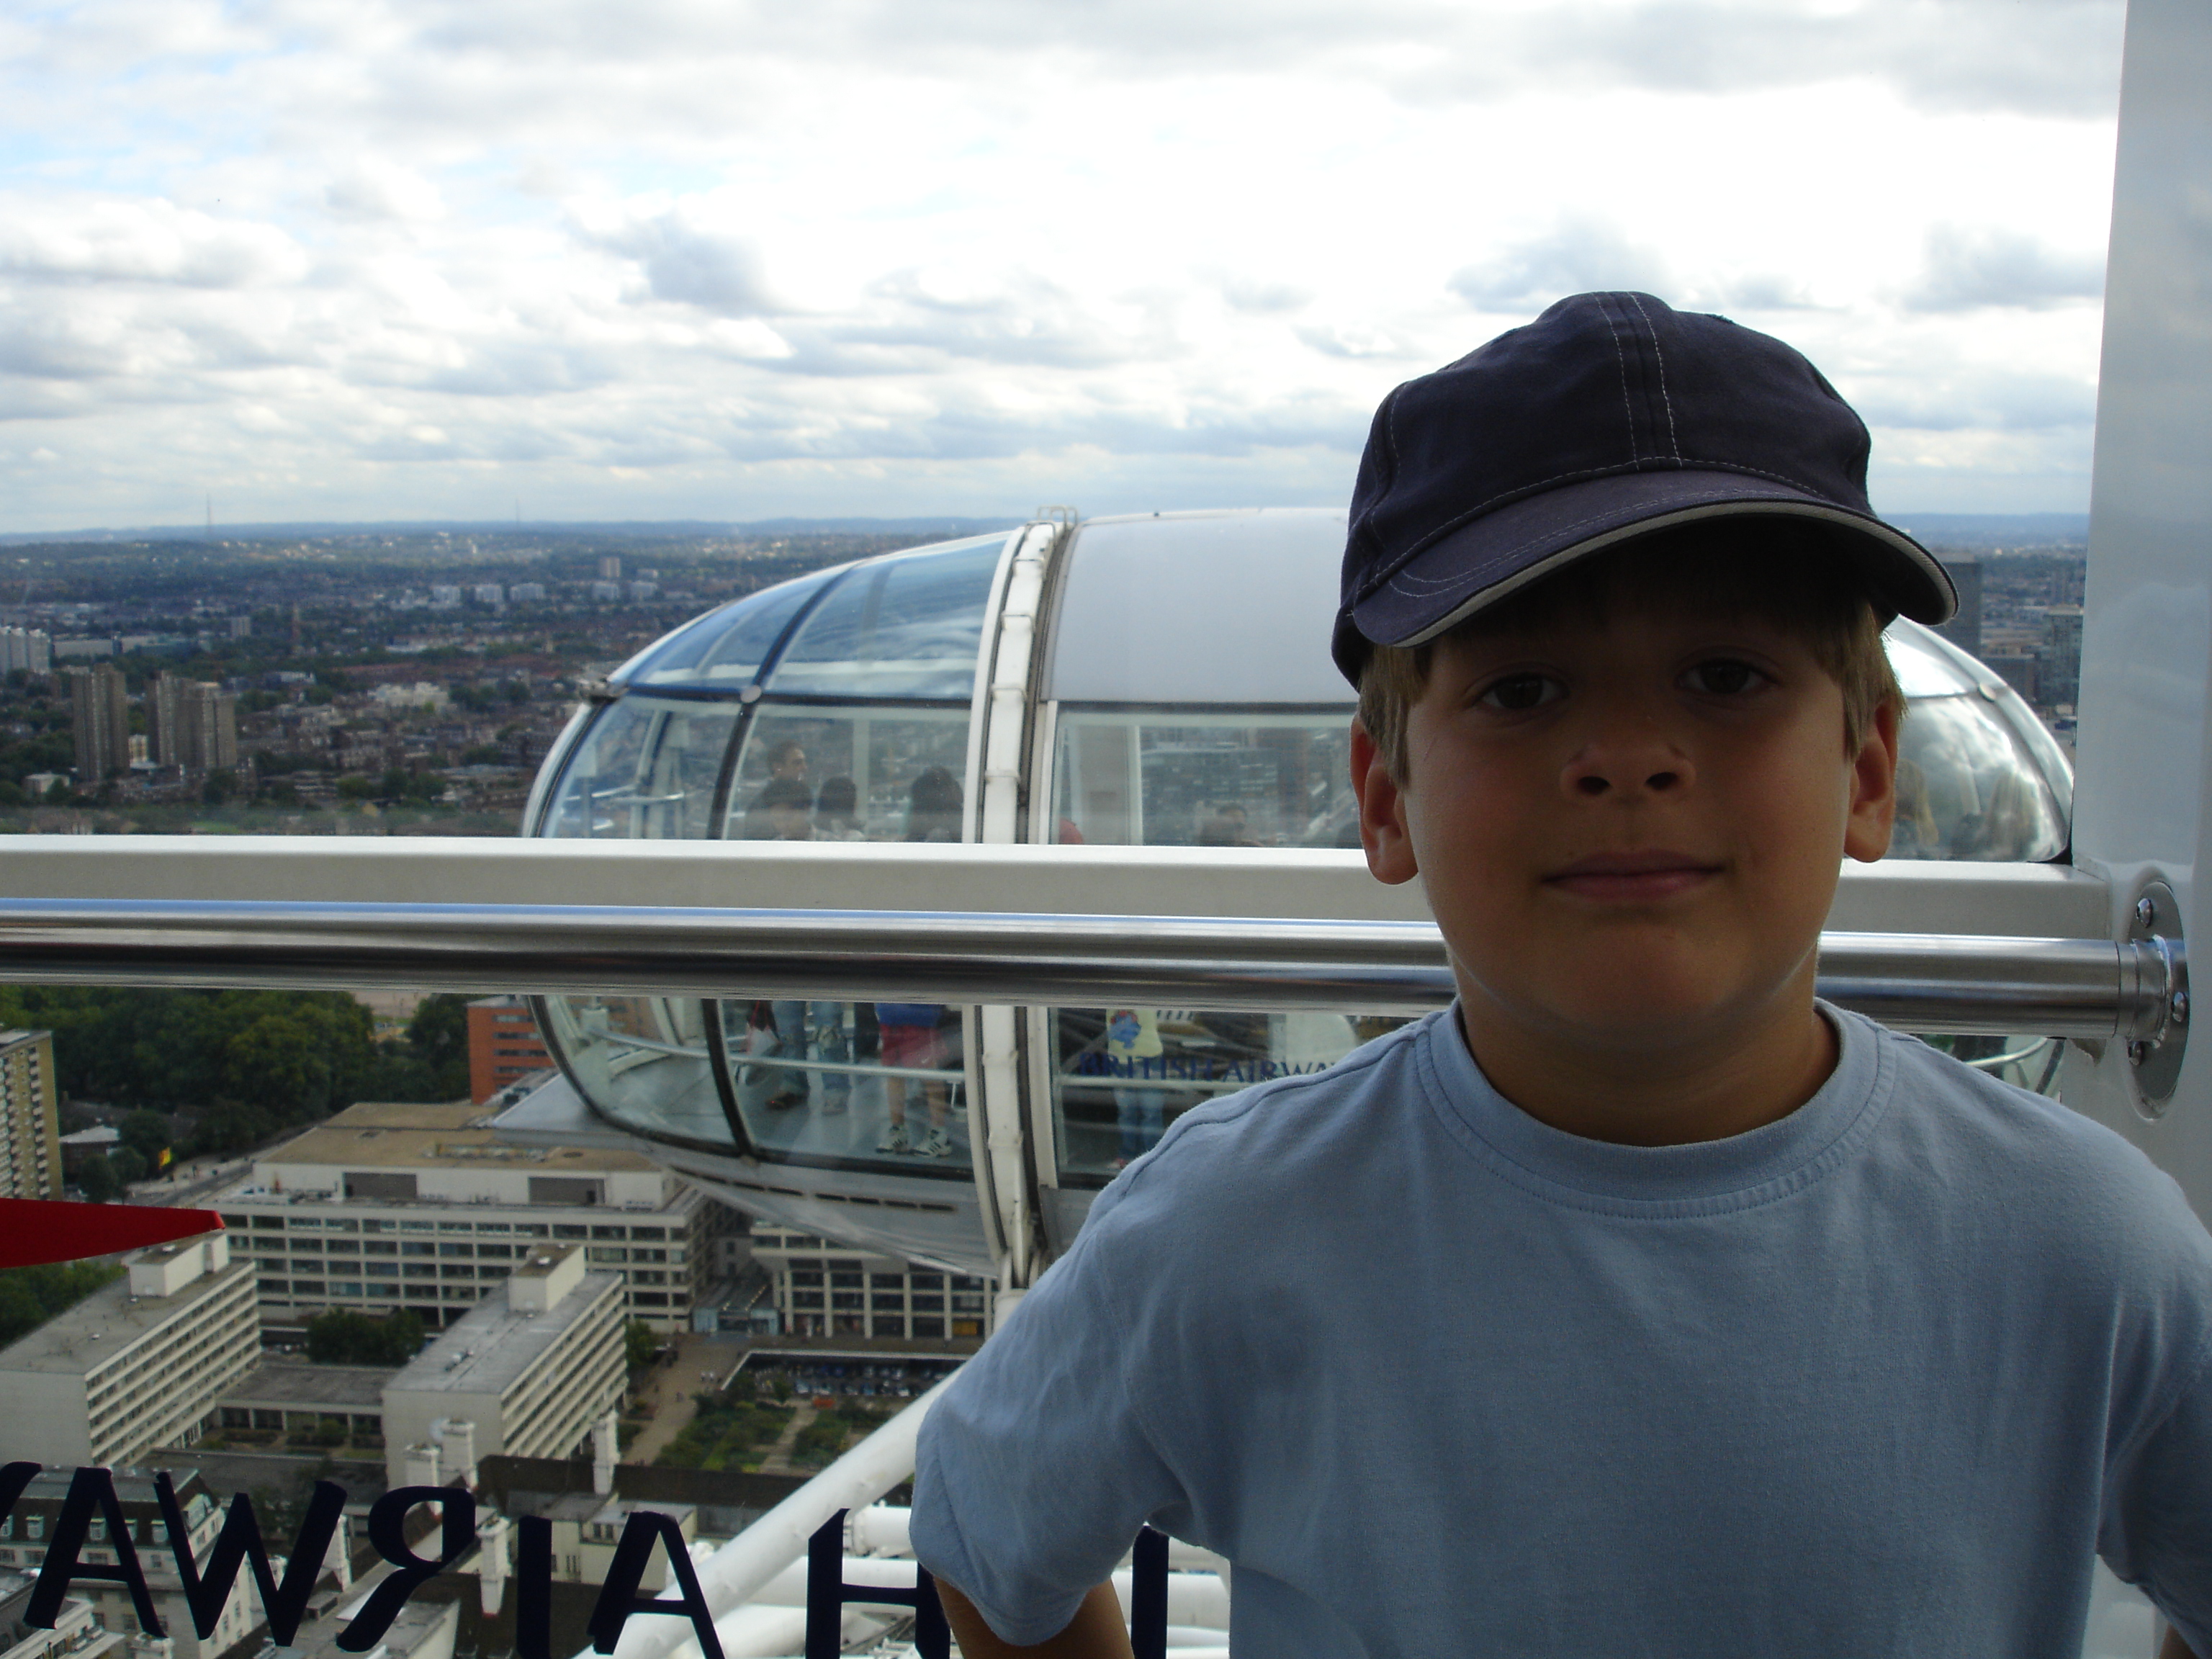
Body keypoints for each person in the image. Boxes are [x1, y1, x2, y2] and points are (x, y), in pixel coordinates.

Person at [910, 293, 2212, 1657]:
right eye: (1523, 690)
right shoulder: (1225, 1229)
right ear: (1387, 798)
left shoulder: (2083, 1251)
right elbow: (987, 1534)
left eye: (1725, 675)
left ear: (1870, 769)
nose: (1629, 755)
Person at [876, 766, 966, 1157]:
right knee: (928, 1061)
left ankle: (909, 1128)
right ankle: (936, 1128)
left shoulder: (921, 843)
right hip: (931, 967)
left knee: (901, 1062)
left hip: (902, 975)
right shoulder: (953, 836)